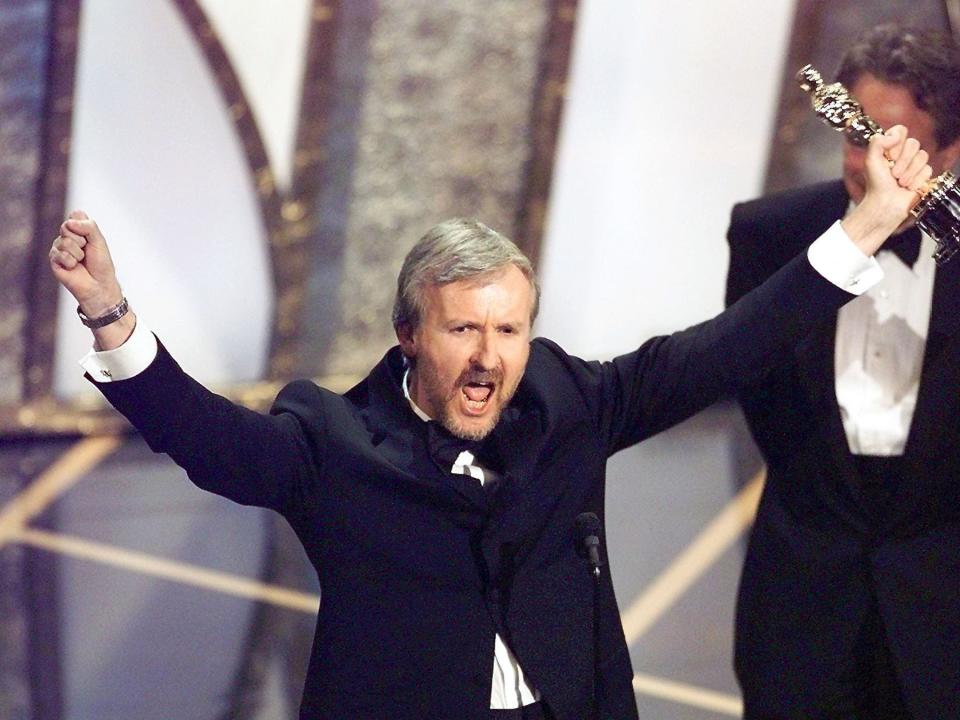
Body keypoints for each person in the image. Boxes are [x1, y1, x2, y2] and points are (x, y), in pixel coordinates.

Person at [50, 123, 928, 720]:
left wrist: (872, 223)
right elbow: (209, 440)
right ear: (407, 337)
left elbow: (726, 349)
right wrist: (110, 315)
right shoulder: (330, 441)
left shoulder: (570, 403)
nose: (488, 356)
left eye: (508, 329)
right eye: (462, 328)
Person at [725, 24, 960, 720]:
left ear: (950, 150)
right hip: (798, 600)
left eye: (896, 147)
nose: (870, 169)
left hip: (942, 610)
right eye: (859, 141)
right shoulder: (768, 234)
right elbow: (753, 388)